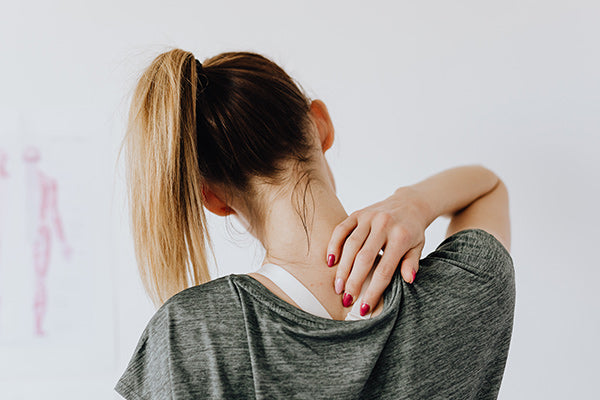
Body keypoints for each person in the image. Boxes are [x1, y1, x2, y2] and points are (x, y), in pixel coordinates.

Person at [115, 48, 515, 399]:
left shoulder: (193, 334)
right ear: (321, 124)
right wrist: (415, 202)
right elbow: (488, 186)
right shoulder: (467, 286)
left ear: (213, 198)